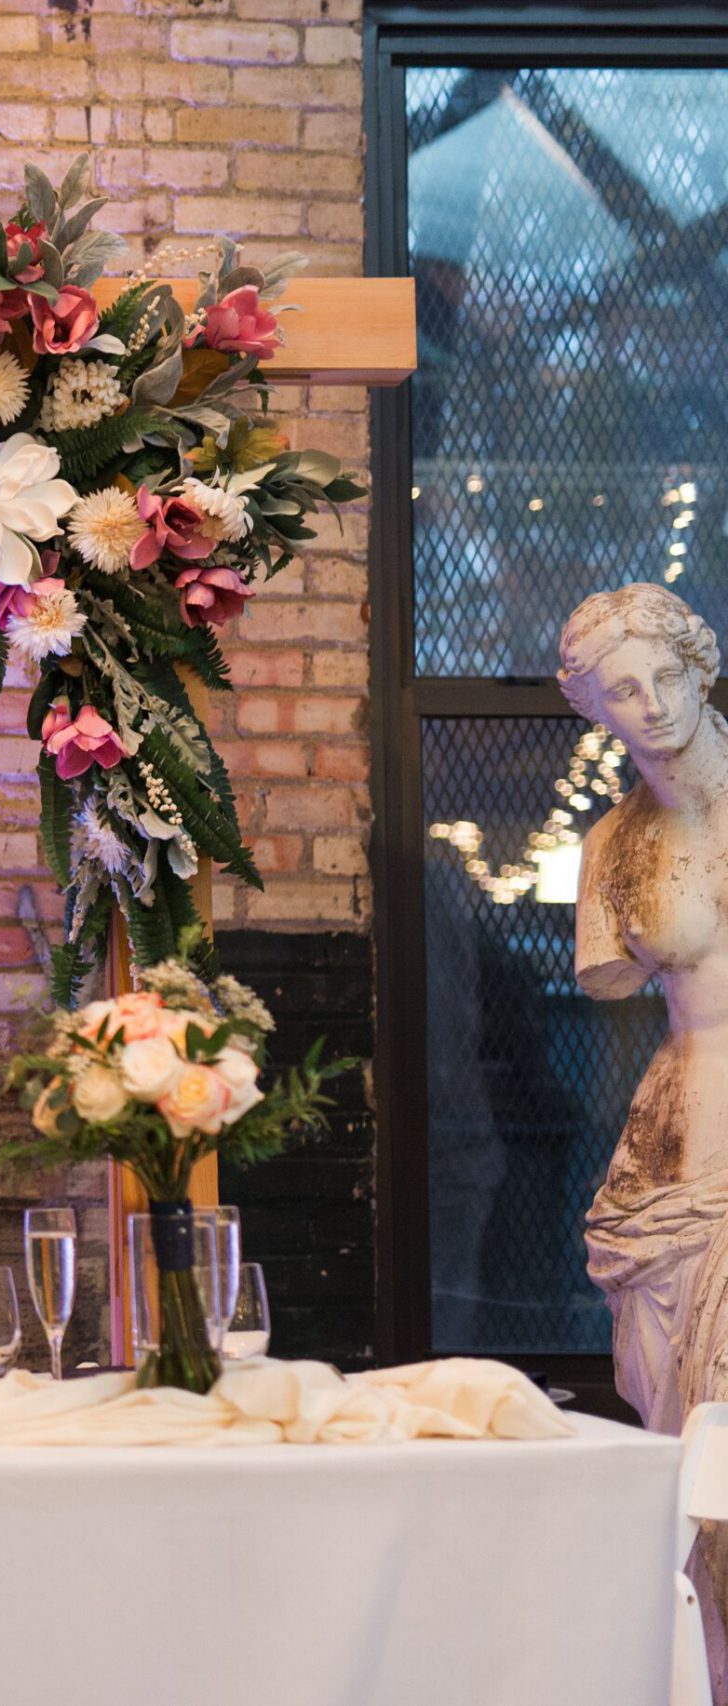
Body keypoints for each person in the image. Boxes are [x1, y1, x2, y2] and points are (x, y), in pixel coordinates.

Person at [563, 582, 728, 1694]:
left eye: (667, 675)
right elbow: (612, 975)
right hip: (681, 1137)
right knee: (687, 1433)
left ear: (700, 667)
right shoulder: (614, 845)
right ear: (594, 710)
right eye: (622, 690)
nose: (653, 703)